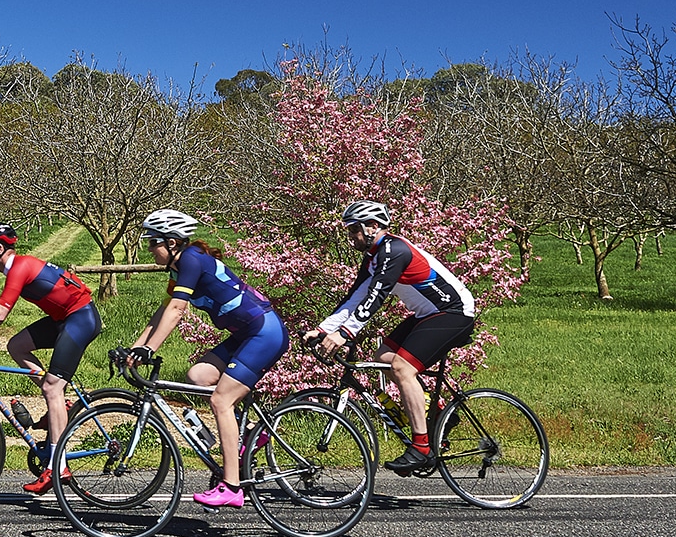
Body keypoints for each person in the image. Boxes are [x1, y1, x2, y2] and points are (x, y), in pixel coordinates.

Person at [125, 209, 289, 509]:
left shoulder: (191, 259)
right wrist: (136, 348)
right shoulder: (178, 268)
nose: (149, 248)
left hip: (264, 332)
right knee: (198, 376)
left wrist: (151, 349)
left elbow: (177, 311)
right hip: (246, 333)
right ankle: (252, 433)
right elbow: (163, 311)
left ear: (172, 242)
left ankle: (232, 487)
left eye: (153, 242)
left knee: (220, 401)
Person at [305, 199, 478, 475]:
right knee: (383, 357)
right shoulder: (374, 257)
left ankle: (421, 447)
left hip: (454, 312)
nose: (350, 236)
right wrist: (324, 329)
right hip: (429, 313)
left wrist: (346, 333)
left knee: (402, 367)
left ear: (373, 226)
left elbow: (376, 296)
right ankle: (438, 413)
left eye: (354, 229)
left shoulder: (394, 251)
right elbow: (355, 297)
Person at [0, 221, 102, 495]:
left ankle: (58, 467)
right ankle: (61, 404)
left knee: (52, 387)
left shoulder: (19, 268)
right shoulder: (16, 267)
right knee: (17, 346)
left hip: (80, 318)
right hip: (64, 319)